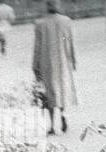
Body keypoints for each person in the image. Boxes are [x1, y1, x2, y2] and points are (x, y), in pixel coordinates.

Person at [32, 0, 77, 136]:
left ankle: (52, 125)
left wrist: (35, 65)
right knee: (61, 90)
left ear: (47, 6)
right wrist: (73, 60)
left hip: (46, 62)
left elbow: (37, 47)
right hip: (62, 61)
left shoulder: (40, 23)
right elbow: (70, 42)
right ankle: (63, 115)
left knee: (48, 92)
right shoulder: (66, 21)